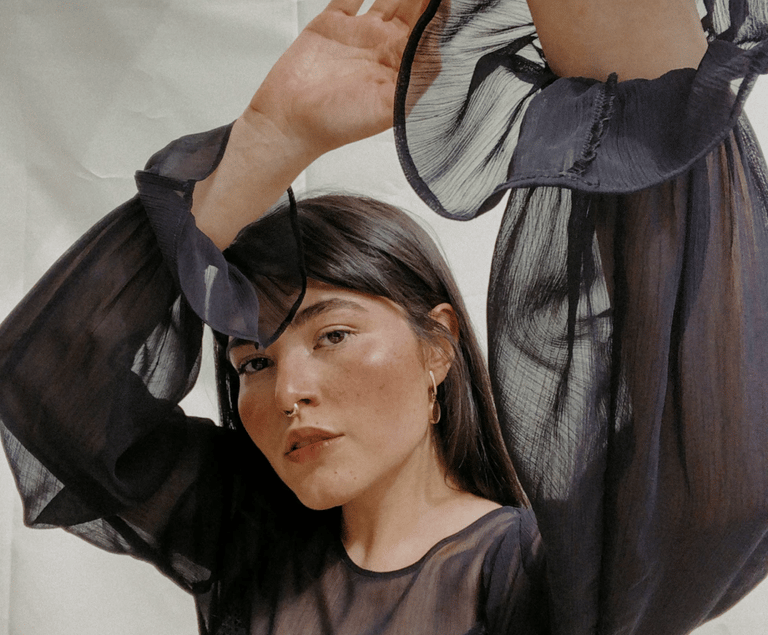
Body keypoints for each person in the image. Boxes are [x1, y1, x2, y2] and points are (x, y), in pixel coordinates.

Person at [2, 1, 768, 634]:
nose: (287, 391)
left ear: (438, 346)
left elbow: (716, 471)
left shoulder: (532, 583)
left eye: (332, 334)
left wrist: (627, 68)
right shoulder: (247, 546)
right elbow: (45, 391)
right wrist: (267, 141)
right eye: (252, 361)